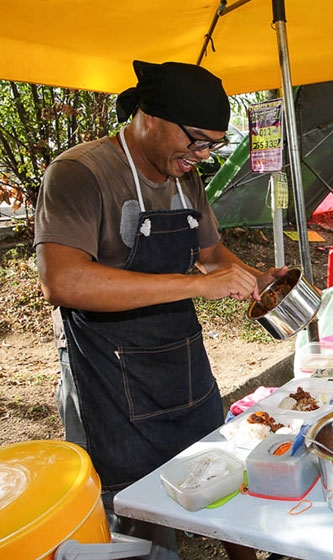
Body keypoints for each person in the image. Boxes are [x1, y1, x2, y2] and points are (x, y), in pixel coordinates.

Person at [34, 60, 280, 560]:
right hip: (111, 372)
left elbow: (211, 254)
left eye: (213, 143)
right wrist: (192, 285)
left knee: (222, 469)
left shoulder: (186, 174)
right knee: (138, 509)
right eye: (196, 140)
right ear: (150, 115)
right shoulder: (80, 173)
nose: (203, 154)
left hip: (183, 361)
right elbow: (62, 281)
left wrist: (255, 280)